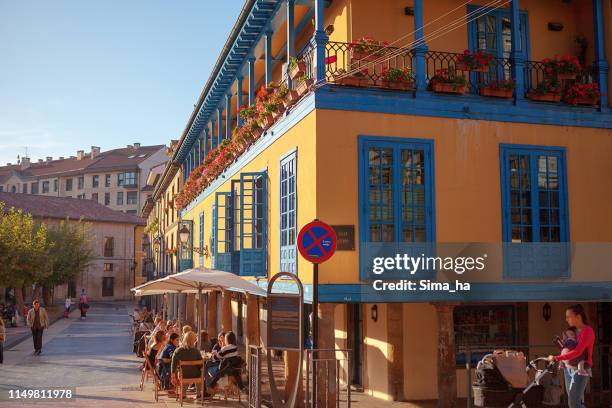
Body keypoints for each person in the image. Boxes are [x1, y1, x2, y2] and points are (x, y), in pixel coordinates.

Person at [548, 304, 595, 408]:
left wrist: (556, 358)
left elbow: (578, 352)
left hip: (581, 369)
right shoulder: (573, 331)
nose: (566, 319)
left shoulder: (587, 331)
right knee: (573, 403)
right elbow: (568, 348)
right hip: (568, 369)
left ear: (578, 317)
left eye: (569, 316)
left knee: (574, 403)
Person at [171, 331, 203, 396]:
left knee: (182, 371)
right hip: (195, 375)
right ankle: (199, 393)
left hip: (183, 374)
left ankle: (183, 394)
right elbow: (201, 365)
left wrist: (173, 374)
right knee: (199, 372)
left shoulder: (178, 350)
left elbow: (173, 363)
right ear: (194, 340)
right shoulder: (196, 351)